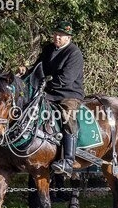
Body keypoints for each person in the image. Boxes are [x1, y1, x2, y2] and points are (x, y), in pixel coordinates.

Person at [31, 20, 85, 175]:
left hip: (69, 94)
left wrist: (45, 85)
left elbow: (65, 79)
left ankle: (68, 160)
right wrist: (26, 74)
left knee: (67, 116)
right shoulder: (48, 49)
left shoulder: (74, 53)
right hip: (47, 92)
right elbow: (37, 68)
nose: (57, 37)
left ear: (69, 38)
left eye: (61, 35)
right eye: (55, 34)